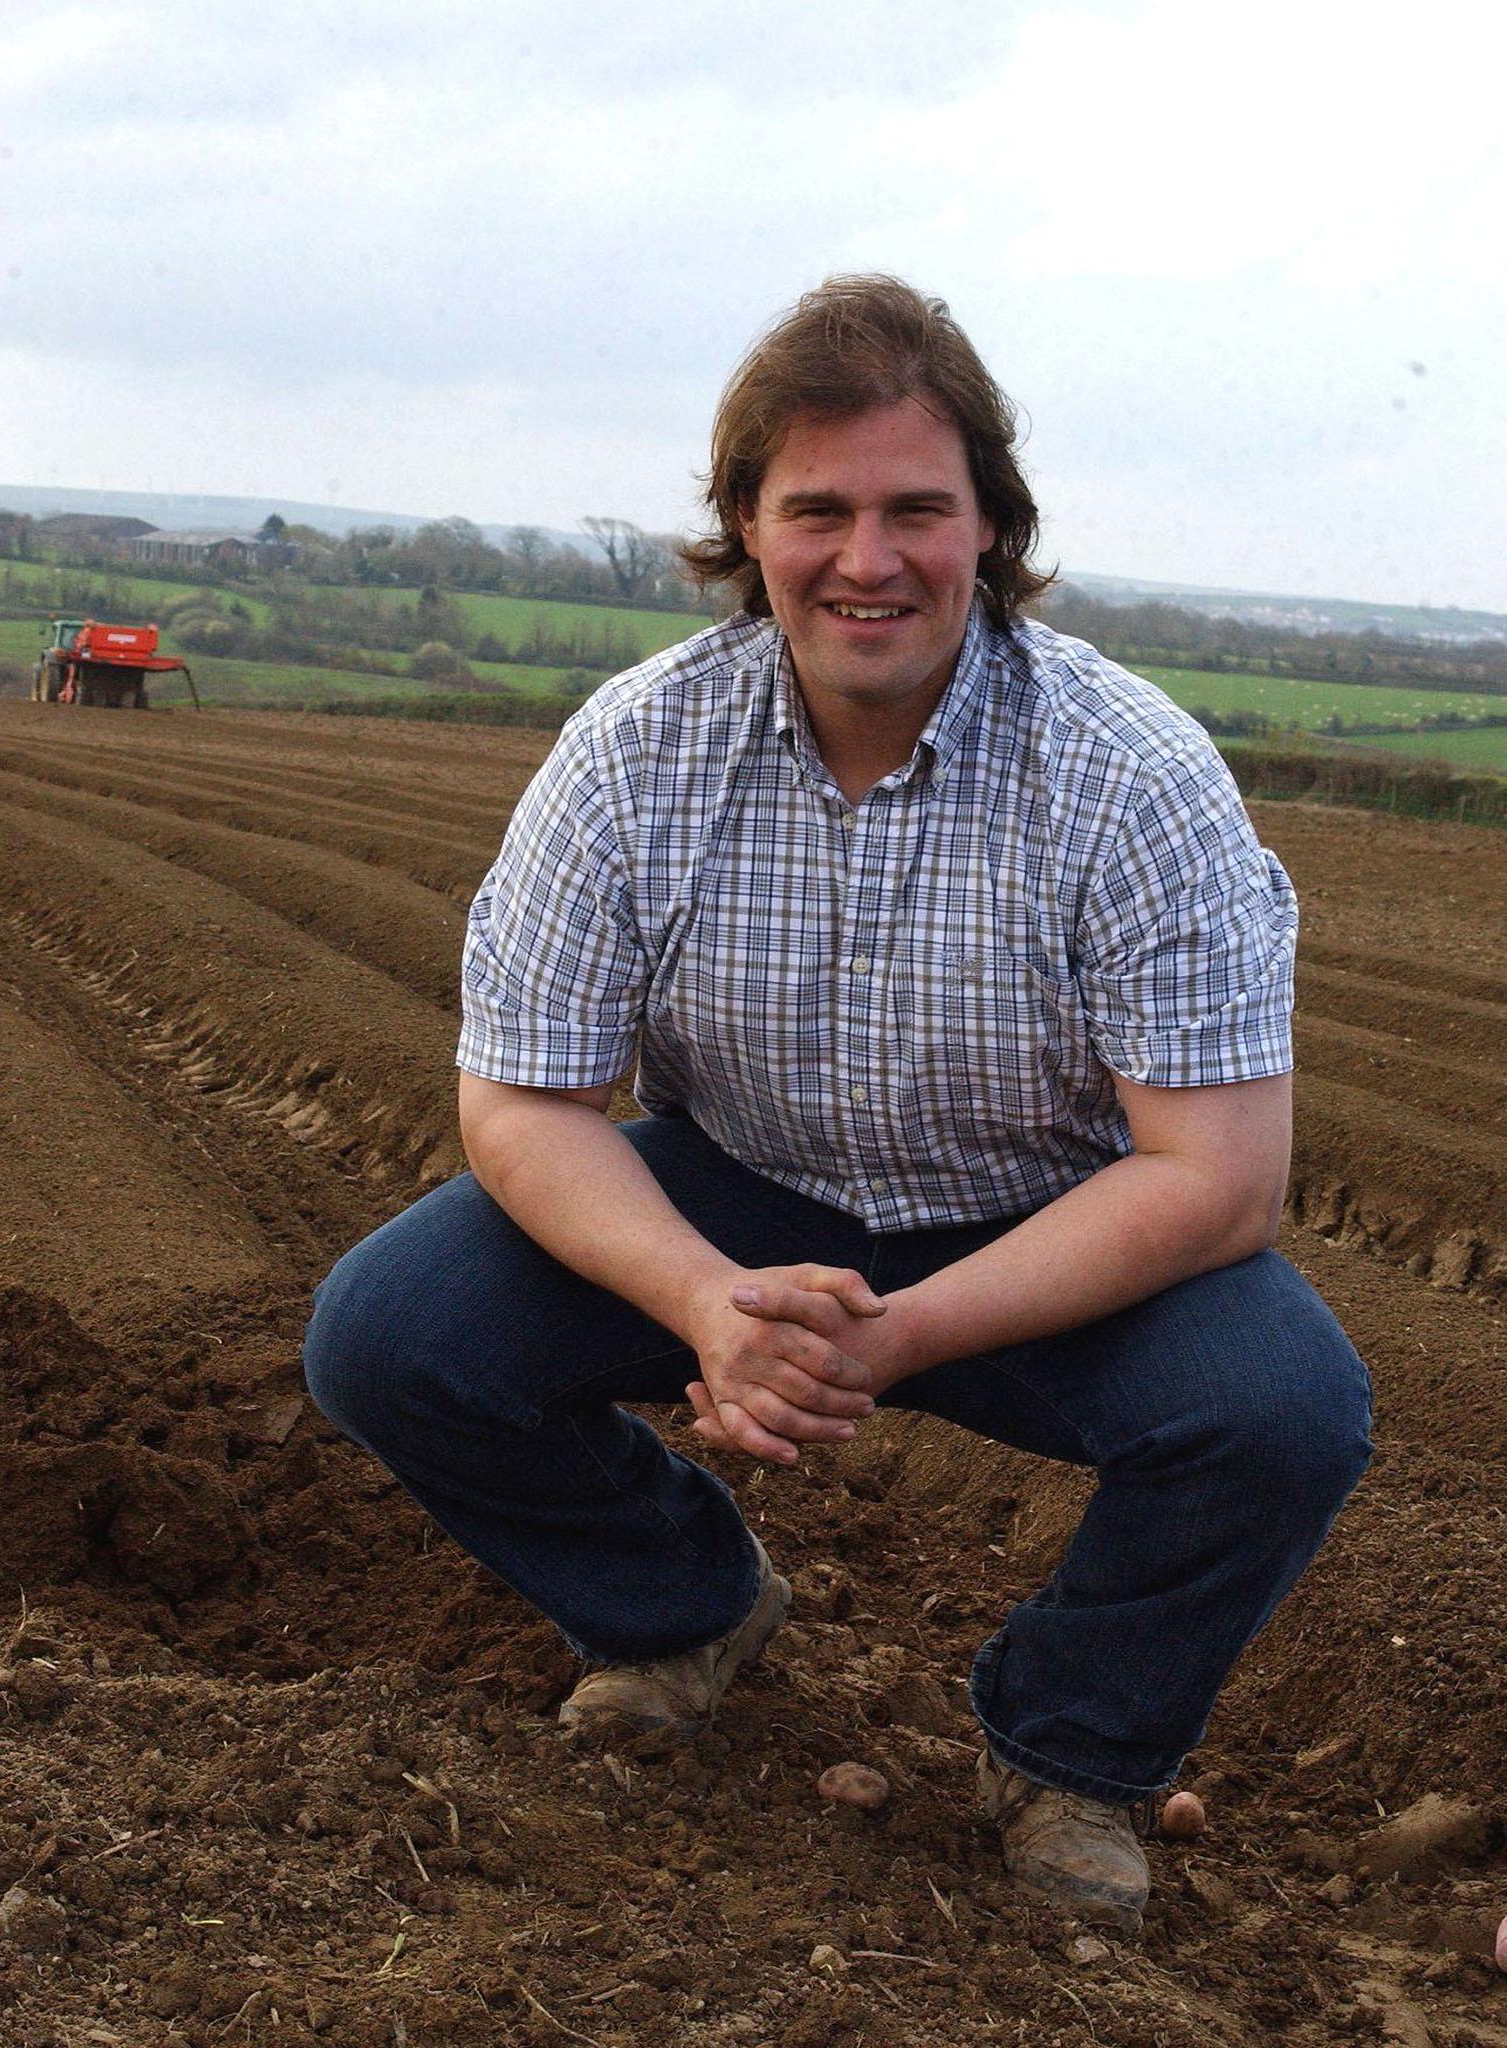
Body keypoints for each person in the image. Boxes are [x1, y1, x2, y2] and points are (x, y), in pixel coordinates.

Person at [304, 275, 1371, 1938]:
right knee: (389, 1333)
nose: (867, 558)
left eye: (916, 510)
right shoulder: (635, 753)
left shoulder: (1133, 776)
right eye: (819, 509)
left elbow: (1219, 1182)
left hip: (1049, 1227)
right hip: (746, 1190)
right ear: (747, 524)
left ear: (990, 529)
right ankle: (682, 1610)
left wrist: (904, 1335)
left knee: (1284, 1408)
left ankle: (1071, 1748)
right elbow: (521, 1106)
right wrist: (701, 1297)